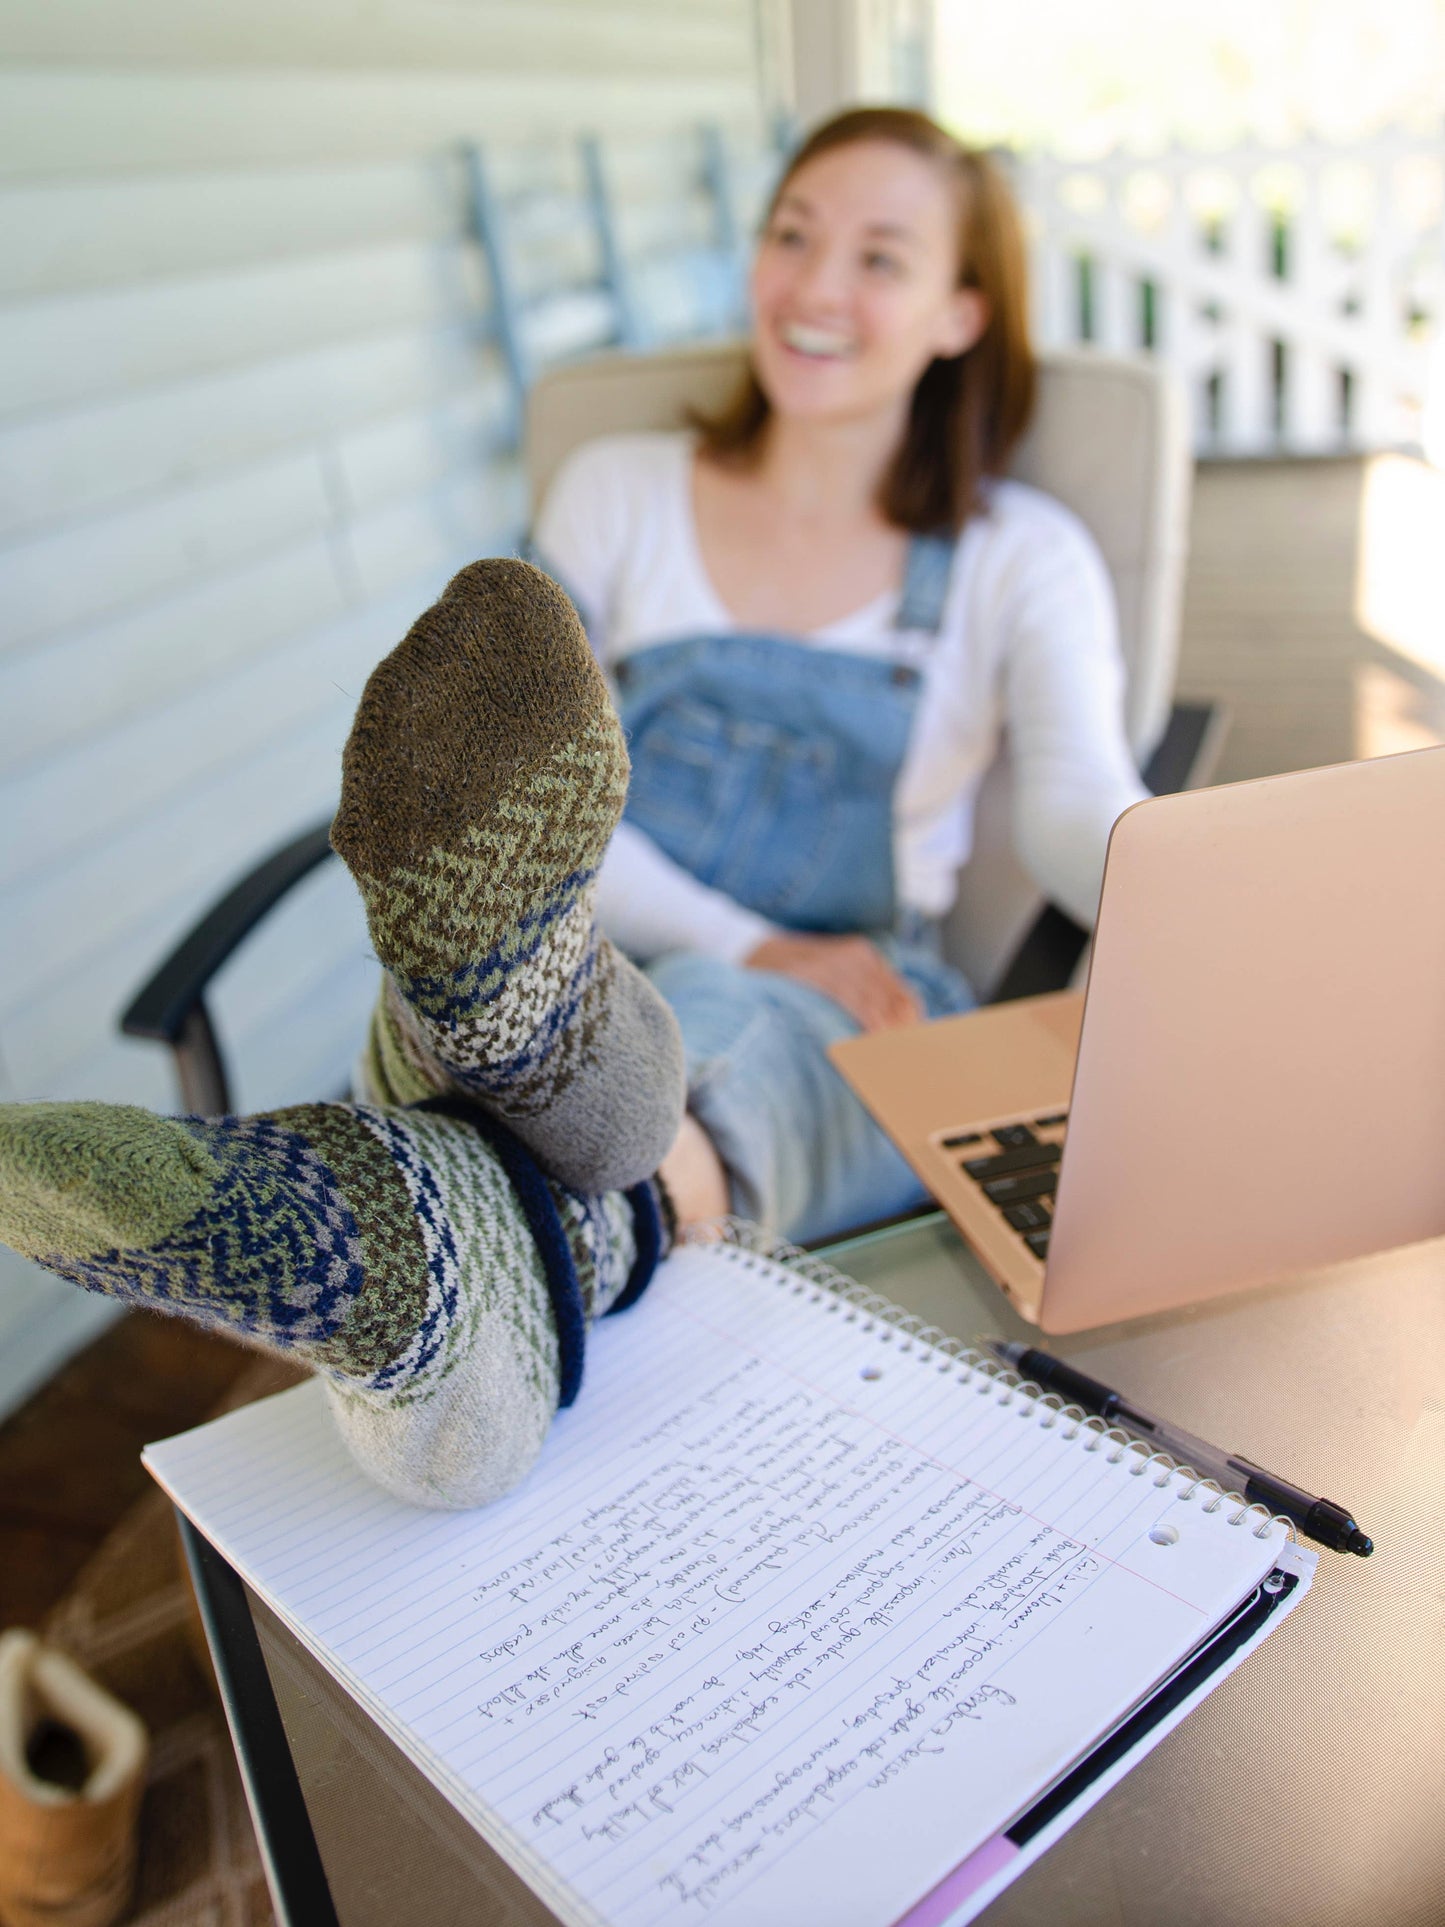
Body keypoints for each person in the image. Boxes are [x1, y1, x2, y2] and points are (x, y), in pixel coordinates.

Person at [530, 107, 1147, 1247]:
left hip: (854, 1015)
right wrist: (747, 939)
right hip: (579, 971)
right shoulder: (613, 493)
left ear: (959, 313)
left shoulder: (1021, 556)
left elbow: (1079, 806)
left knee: (687, 1047)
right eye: (792, 236)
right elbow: (530, 811)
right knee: (513, 1029)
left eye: (879, 260)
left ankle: (556, 1240)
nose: (814, 288)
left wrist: (1211, 921)